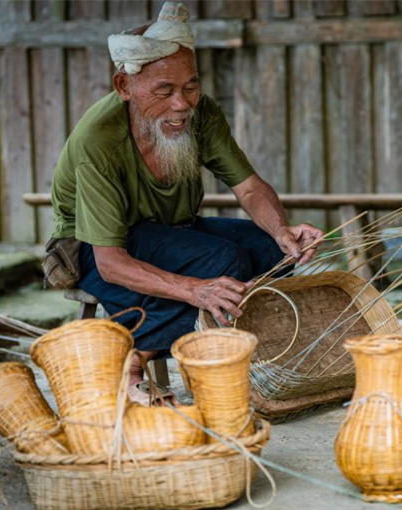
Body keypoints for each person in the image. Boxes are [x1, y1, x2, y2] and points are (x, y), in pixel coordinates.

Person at [50, 2, 324, 403]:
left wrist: (282, 230)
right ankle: (131, 360)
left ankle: (224, 352)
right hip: (94, 248)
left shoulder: (202, 113)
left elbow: (248, 187)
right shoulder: (99, 139)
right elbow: (110, 262)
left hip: (173, 231)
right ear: (124, 87)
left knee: (269, 251)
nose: (182, 104)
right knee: (221, 264)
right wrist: (198, 291)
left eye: (190, 87)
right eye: (164, 90)